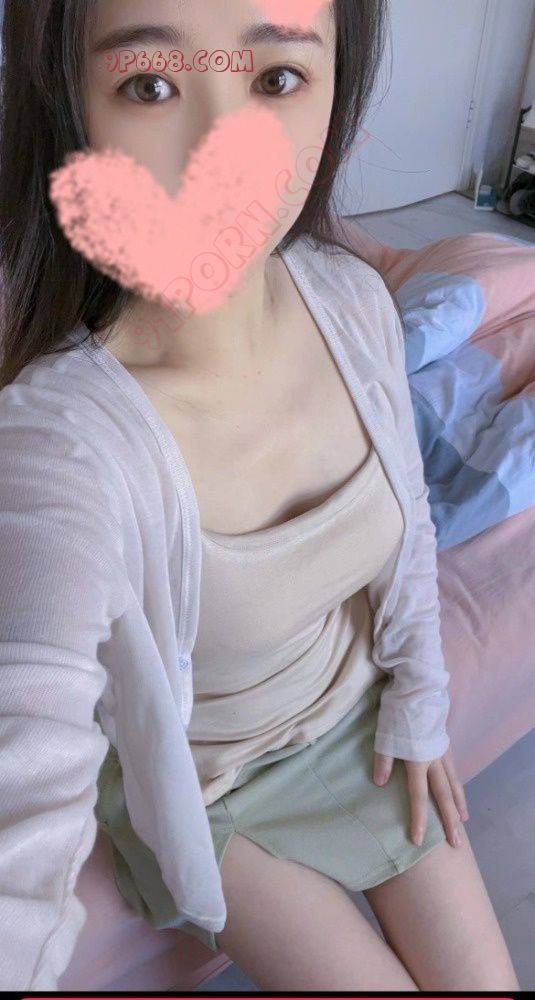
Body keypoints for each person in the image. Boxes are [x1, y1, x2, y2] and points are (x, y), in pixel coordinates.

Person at [0, 0, 520, 991]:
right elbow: (22, 789)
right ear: (68, 107)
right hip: (211, 788)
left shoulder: (353, 303)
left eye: (277, 79)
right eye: (150, 85)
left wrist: (419, 705)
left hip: (357, 711)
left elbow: (408, 530)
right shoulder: (58, 448)